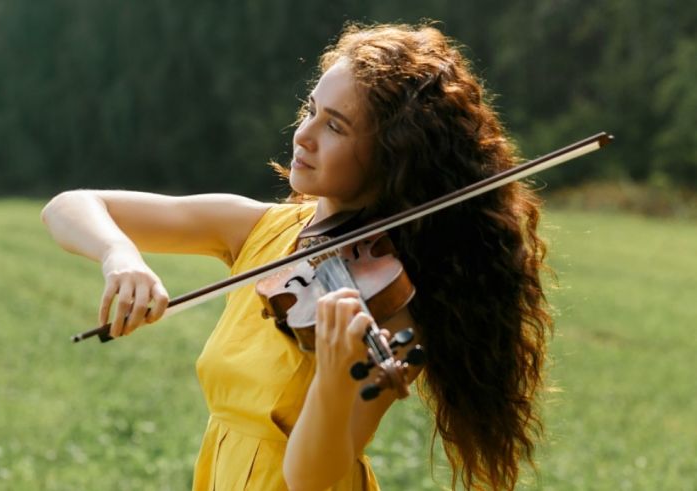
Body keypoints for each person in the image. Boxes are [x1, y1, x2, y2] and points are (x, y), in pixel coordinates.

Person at [41, 22, 551, 491]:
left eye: (336, 127)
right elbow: (70, 206)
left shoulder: (390, 309)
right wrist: (120, 255)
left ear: (394, 156)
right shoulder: (259, 229)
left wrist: (334, 378)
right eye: (310, 110)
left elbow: (313, 478)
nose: (303, 135)